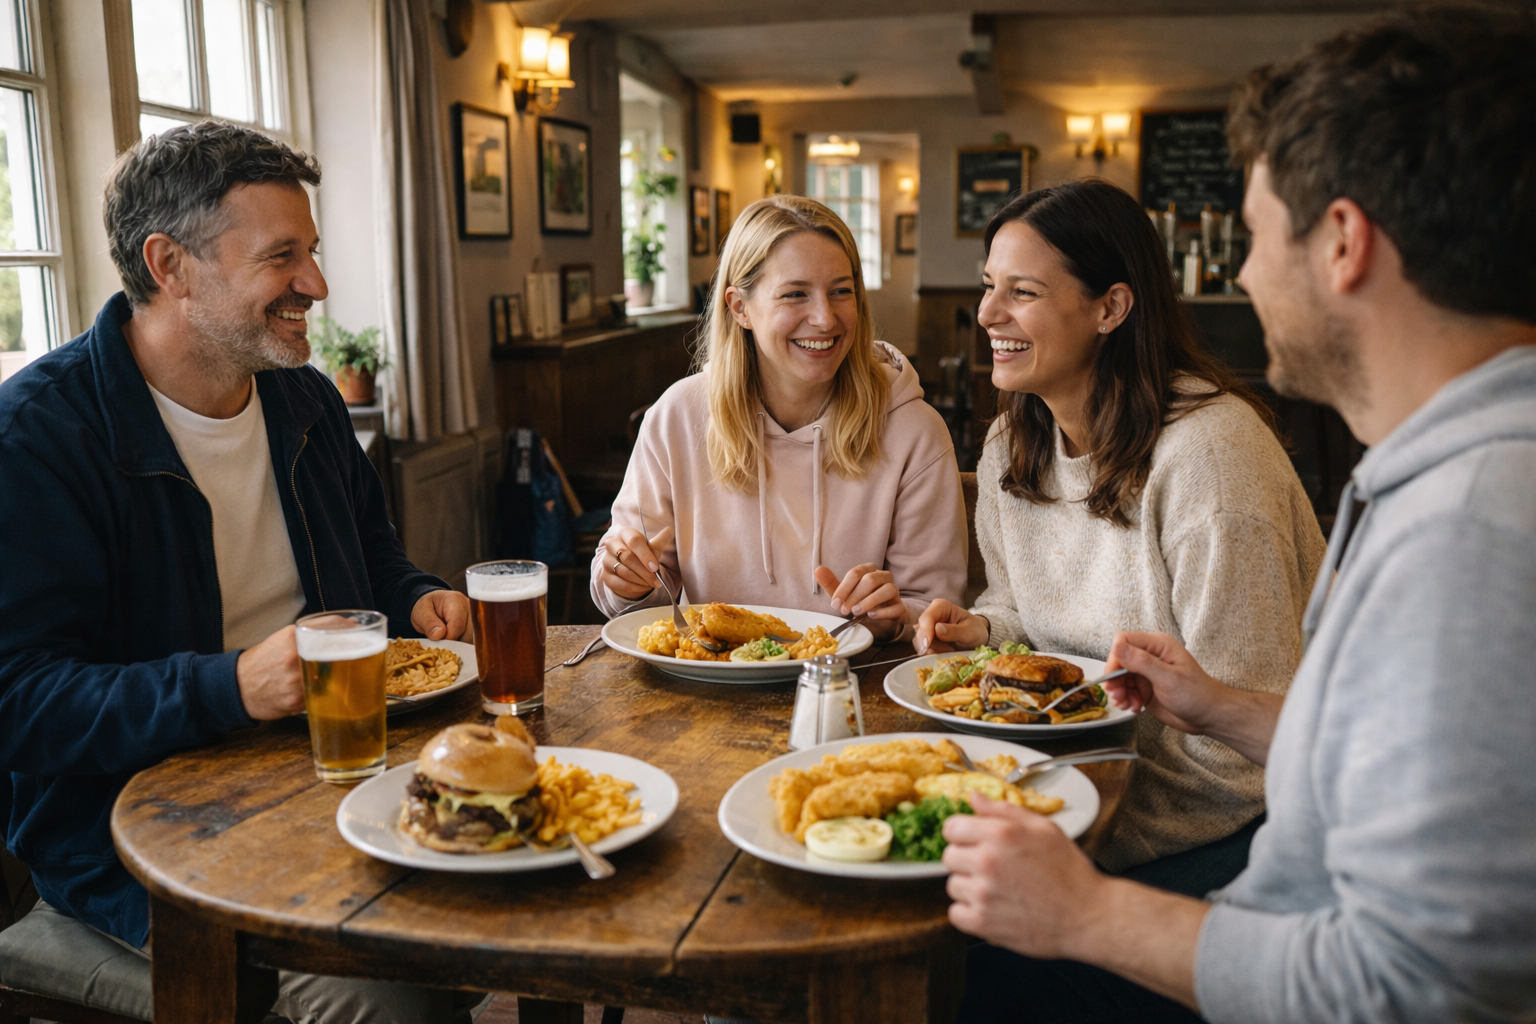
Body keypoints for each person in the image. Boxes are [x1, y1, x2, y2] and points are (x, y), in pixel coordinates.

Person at [938, 8, 1536, 1023]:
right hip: (1230, 875)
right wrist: (1220, 703)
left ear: (1343, 241)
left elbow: (1420, 989)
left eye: (1257, 235)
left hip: (1236, 900)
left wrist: (1086, 913)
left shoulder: (1466, 531)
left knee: (947, 977)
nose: (1248, 274)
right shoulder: (1435, 479)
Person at [0, 122, 479, 1022]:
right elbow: (16, 702)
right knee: (399, 990)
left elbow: (373, 559)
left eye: (315, 252)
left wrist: (417, 600)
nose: (318, 285)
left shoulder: (303, 398)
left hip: (328, 778)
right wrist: (231, 687)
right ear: (169, 265)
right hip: (136, 837)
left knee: (525, 878)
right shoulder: (35, 438)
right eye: (282, 257)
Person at [914, 179, 1325, 886]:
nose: (987, 312)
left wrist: (1075, 838)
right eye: (988, 286)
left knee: (967, 978)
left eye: (1023, 291)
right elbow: (1024, 615)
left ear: (1110, 307)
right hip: (1073, 785)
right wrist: (981, 634)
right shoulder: (1012, 440)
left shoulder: (1211, 458)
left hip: (1228, 837)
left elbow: (1241, 750)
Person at [592, 195, 966, 640]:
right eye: (795, 294)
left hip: (851, 688)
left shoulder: (915, 430)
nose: (825, 318)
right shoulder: (677, 417)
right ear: (739, 308)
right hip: (712, 685)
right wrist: (626, 581)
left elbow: (934, 607)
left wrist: (896, 616)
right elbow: (638, 592)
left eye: (841, 291)